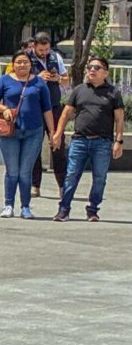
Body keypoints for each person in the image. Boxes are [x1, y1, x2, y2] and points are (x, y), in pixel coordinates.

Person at [52, 56, 125, 221]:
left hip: (102, 142)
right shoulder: (79, 90)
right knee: (71, 175)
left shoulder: (113, 93)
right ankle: (64, 209)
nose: (92, 70)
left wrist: (119, 141)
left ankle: (92, 210)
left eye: (97, 68)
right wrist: (57, 134)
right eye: (90, 67)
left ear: (105, 72)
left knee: (100, 178)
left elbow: (120, 119)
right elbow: (66, 114)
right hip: (80, 140)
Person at [0, 51, 55, 218]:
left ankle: (25, 206)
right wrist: (4, 109)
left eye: (25, 62)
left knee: (25, 171)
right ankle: (8, 205)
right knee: (12, 170)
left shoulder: (39, 82)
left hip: (33, 131)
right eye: (19, 62)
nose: (22, 65)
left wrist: (52, 132)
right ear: (13, 64)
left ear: (30, 64)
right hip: (10, 132)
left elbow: (47, 109)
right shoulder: (5, 80)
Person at [28, 32, 69, 197]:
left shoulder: (55, 57)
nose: (44, 53)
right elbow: (18, 81)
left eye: (46, 49)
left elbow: (66, 80)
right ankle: (35, 185)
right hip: (35, 108)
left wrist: (58, 78)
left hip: (54, 107)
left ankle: (63, 186)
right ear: (34, 46)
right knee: (34, 147)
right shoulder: (26, 59)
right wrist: (37, 78)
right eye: (41, 50)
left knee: (58, 145)